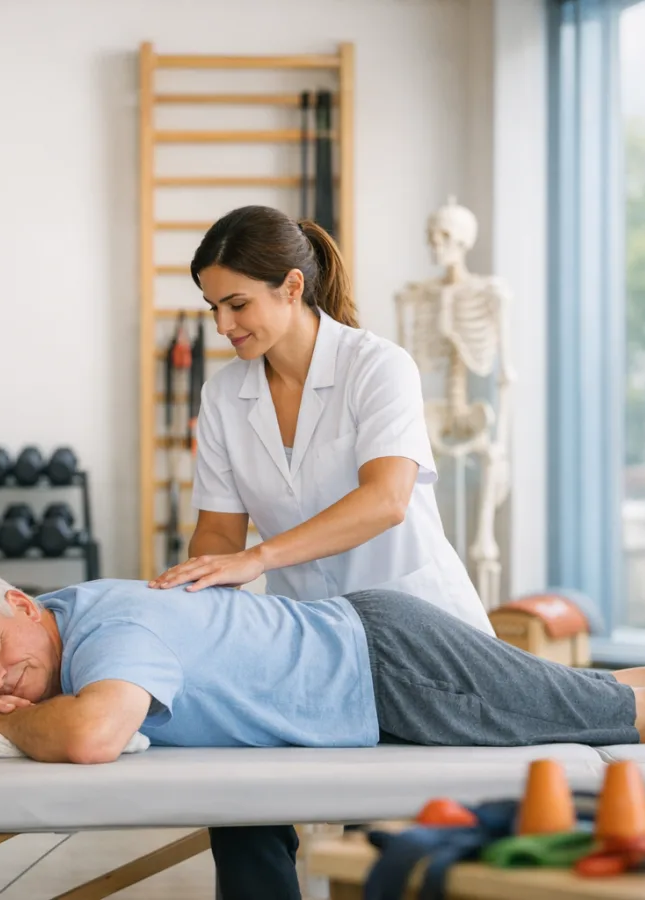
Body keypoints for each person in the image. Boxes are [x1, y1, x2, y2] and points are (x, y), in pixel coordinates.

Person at [0, 569, 645, 895]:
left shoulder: (110, 631)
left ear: (24, 604)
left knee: (620, 717)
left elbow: (93, 736)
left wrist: (4, 719)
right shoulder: (28, 637)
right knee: (589, 693)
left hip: (394, 672)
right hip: (374, 651)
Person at [146, 205, 494, 897]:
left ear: (293, 288)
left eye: (237, 304)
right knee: (236, 791)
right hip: (311, 641)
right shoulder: (224, 396)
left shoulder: (377, 367)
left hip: (418, 631)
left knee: (383, 839)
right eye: (213, 306)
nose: (223, 325)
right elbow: (219, 532)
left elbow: (386, 500)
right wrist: (187, 607)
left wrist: (258, 560)